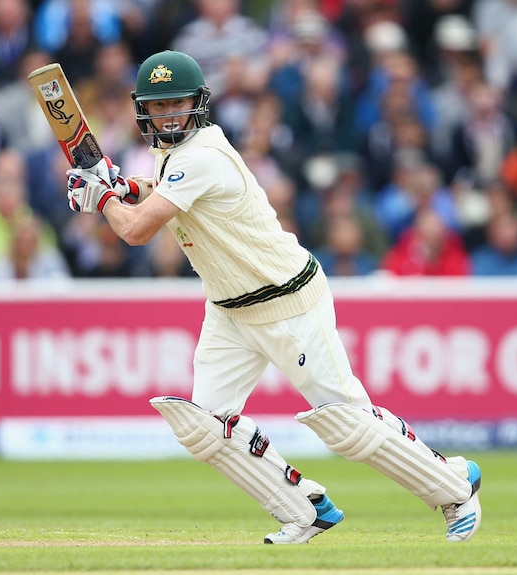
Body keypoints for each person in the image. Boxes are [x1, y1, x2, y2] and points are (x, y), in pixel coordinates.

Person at [63, 50, 482, 545]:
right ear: (144, 111)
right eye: (159, 107)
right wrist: (123, 184)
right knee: (204, 427)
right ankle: (305, 509)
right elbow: (161, 190)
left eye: (178, 104)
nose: (169, 115)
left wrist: (105, 196)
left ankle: (455, 486)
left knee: (346, 423)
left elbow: (134, 231)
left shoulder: (202, 154)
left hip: (288, 301)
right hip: (228, 310)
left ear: (198, 104)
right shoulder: (175, 156)